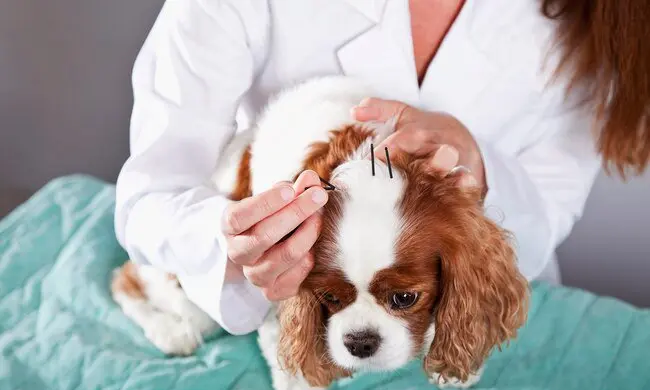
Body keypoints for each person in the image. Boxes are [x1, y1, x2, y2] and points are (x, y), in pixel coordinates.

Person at [115, 0, 650, 335]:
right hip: (305, 303)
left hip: (484, 318)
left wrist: (479, 172)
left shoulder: (605, 19)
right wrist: (233, 244)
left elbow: (547, 209)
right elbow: (150, 197)